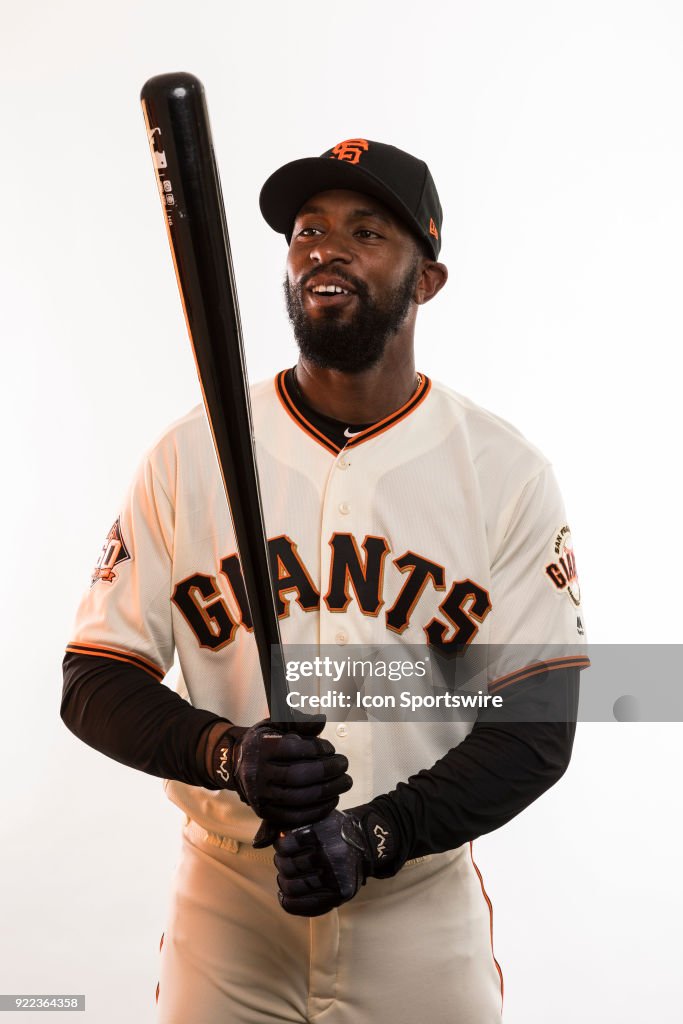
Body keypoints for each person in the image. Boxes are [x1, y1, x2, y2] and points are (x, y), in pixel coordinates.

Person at [62, 138, 589, 1023]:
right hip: (229, 908)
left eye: (366, 230)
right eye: (306, 230)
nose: (323, 248)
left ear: (427, 280)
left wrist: (374, 833)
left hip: (416, 907)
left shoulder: (503, 472)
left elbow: (536, 731)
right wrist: (224, 753)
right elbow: (93, 680)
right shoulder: (185, 455)